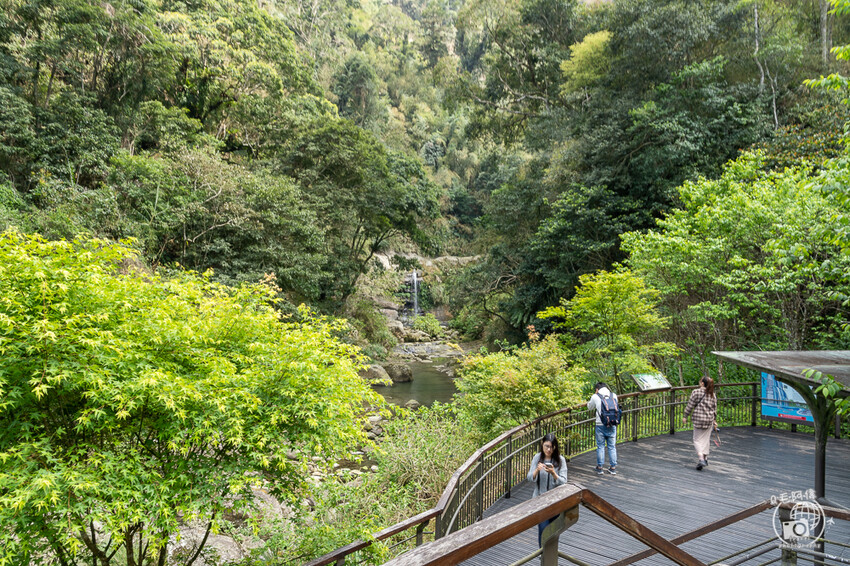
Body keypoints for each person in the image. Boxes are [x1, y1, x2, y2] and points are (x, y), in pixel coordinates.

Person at [527, 433, 568, 547]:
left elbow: (564, 481)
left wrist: (554, 473)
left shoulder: (561, 460)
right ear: (542, 445)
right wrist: (537, 470)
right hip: (540, 501)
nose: (548, 449)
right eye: (546, 446)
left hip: (555, 502)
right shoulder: (537, 457)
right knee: (543, 528)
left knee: (554, 531)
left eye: (551, 447)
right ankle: (543, 554)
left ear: (555, 447)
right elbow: (529, 478)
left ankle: (551, 555)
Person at [682, 375, 718, 470]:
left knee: (697, 440)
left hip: (698, 419)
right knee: (706, 440)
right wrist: (714, 420)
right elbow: (714, 408)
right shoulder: (712, 394)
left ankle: (701, 458)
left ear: (702, 383)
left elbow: (690, 405)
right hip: (709, 420)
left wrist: (685, 416)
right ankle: (705, 459)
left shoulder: (696, 392)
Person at [587, 382, 618, 475]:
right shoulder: (614, 395)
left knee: (600, 446)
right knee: (612, 446)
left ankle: (600, 467)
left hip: (600, 424)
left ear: (597, 389)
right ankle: (613, 468)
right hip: (612, 423)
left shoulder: (595, 396)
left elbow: (590, 407)